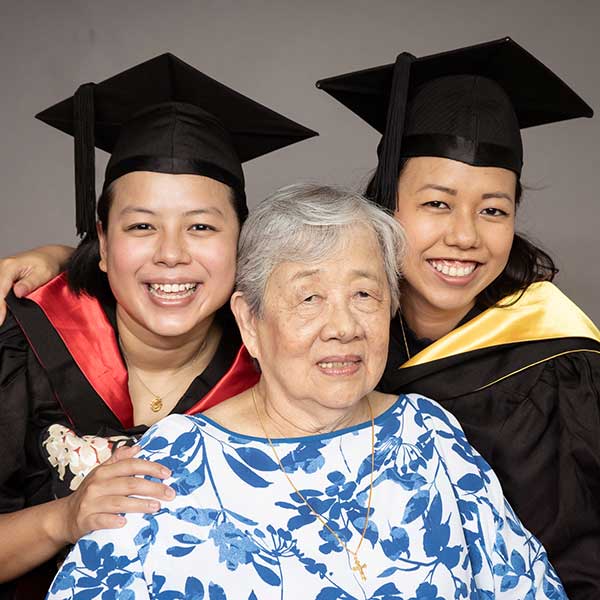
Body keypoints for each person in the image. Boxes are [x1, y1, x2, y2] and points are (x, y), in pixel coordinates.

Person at [46, 183, 565, 600]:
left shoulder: (428, 433)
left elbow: (526, 585)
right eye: (309, 297)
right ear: (250, 321)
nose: (343, 326)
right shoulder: (168, 462)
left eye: (364, 293)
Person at [0, 52, 315, 600]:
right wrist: (64, 518)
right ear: (101, 241)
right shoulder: (20, 345)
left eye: (201, 226)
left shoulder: (277, 373)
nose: (171, 254)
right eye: (142, 225)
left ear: (241, 241)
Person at [317, 37, 600, 598]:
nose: (466, 235)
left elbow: (580, 566)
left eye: (493, 209)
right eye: (437, 203)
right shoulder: (334, 339)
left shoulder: (557, 365)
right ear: (385, 206)